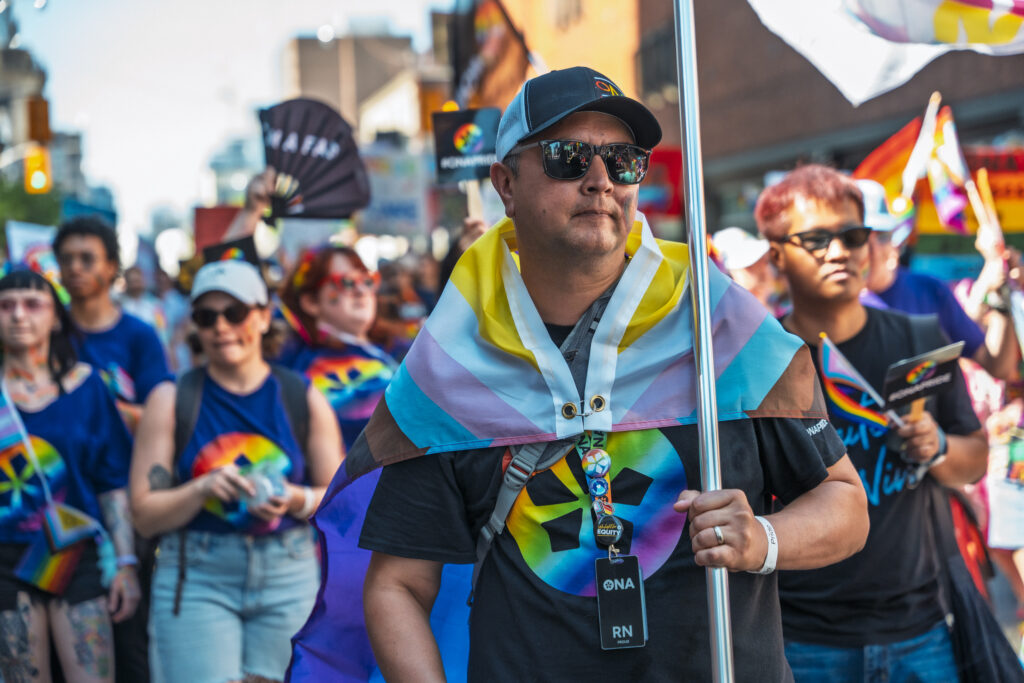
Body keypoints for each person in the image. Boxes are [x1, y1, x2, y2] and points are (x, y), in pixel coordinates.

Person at [292, 67, 869, 681]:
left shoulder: (718, 324)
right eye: (569, 157)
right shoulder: (455, 359)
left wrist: (763, 541)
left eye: (622, 160)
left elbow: (845, 503)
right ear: (506, 184)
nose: (600, 180)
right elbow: (398, 586)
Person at [755, 164, 988, 681]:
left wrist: (940, 448)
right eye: (816, 239)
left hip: (922, 633)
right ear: (776, 255)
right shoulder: (755, 360)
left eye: (853, 235)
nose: (840, 251)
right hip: (801, 640)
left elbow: (974, 459)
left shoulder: (920, 338)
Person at [129, 259, 342, 683]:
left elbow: (338, 498)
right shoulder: (171, 398)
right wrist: (201, 488)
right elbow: (144, 513)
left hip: (289, 572)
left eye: (236, 312)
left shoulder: (302, 395)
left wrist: (295, 498)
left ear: (264, 317)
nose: (221, 327)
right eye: (207, 317)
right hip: (197, 574)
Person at [0, 269, 139, 682]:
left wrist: (126, 564)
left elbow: (112, 483)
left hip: (75, 552)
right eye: (6, 306)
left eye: (32, 304)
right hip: (4, 559)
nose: (19, 315)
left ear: (56, 317)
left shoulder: (87, 386)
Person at [862, 180, 1018, 380]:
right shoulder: (834, 305)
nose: (872, 250)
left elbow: (997, 365)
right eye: (861, 239)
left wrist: (1000, 300)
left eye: (882, 236)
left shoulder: (929, 290)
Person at [53, 217, 172, 431]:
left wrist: (90, 404)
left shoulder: (141, 336)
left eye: (87, 259)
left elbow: (158, 418)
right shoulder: (46, 333)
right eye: (66, 259)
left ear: (111, 266)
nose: (75, 268)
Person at [278, 245, 396, 450]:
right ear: (311, 302)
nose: (361, 291)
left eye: (368, 281)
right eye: (346, 282)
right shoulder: (314, 368)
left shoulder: (392, 347)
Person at [711, 226, 785, 313]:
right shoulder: (725, 321)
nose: (763, 271)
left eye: (764, 261)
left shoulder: (783, 313)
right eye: (749, 266)